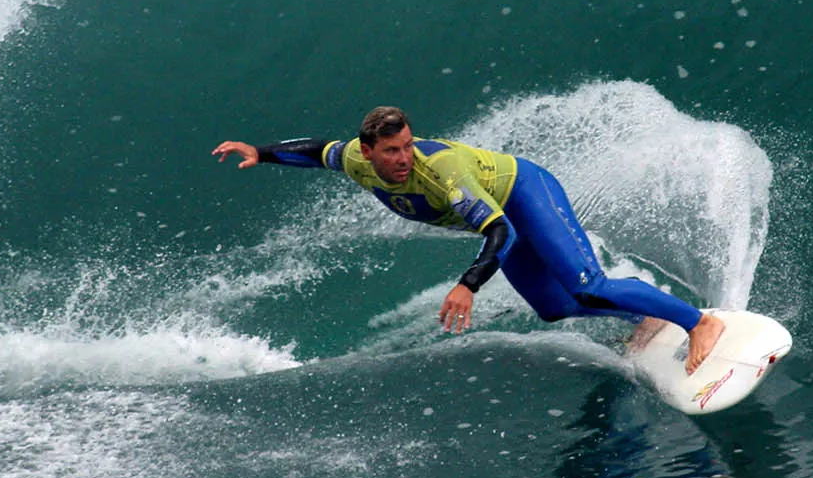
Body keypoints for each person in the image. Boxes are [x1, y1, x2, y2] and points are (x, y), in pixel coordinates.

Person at [212, 106, 726, 373]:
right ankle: (647, 317)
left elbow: (498, 231)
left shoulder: (443, 172)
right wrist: (260, 151)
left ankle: (698, 321)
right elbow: (317, 148)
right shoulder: (354, 159)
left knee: (587, 285)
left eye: (408, 145)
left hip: (524, 194)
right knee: (552, 308)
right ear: (367, 152)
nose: (404, 158)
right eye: (391, 151)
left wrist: (468, 285)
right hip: (504, 214)